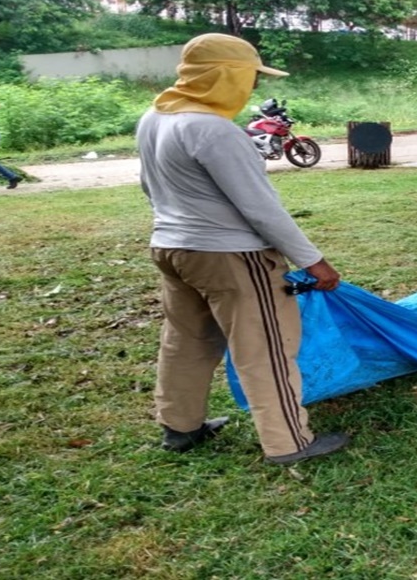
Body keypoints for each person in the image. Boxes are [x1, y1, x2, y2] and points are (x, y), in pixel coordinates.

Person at [137, 33, 350, 464]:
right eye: (250, 76)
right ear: (225, 76)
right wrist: (314, 262)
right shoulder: (214, 130)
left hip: (172, 247)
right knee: (265, 348)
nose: (253, 86)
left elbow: (149, 186)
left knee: (186, 340)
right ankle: (289, 442)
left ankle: (180, 427)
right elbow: (261, 209)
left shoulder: (155, 117)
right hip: (231, 256)